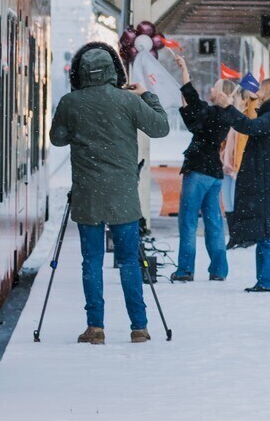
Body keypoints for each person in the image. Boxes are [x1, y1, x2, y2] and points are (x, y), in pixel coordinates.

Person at [48, 41, 171, 344]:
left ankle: (95, 327)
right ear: (113, 70)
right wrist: (146, 95)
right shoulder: (127, 101)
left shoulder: (70, 102)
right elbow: (161, 127)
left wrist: (77, 123)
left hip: (88, 196)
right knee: (129, 261)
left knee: (91, 261)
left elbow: (57, 139)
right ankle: (139, 327)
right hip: (123, 197)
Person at [220, 77, 270, 293]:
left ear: (269, 91)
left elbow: (248, 126)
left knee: (267, 234)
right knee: (265, 233)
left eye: (262, 87)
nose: (257, 89)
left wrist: (228, 107)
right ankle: (267, 279)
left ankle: (269, 281)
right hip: (267, 183)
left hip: (267, 184)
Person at [170, 55, 233, 283]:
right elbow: (191, 108)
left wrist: (184, 69)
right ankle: (219, 269)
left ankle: (185, 269)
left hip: (198, 171)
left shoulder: (209, 112)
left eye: (215, 87)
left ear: (222, 93)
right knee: (214, 223)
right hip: (214, 174)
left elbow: (190, 96)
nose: (212, 89)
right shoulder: (225, 116)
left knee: (188, 221)